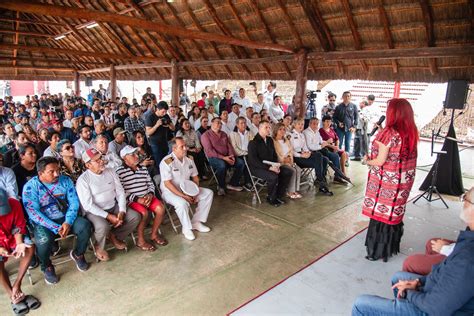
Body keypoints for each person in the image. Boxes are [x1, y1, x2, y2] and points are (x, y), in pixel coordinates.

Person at [352, 187, 474, 316]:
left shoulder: (467, 259)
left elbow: (436, 308)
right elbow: (444, 272)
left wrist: (410, 294)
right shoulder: (468, 239)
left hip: (434, 309)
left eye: (465, 199)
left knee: (360, 304)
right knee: (398, 278)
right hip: (438, 293)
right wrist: (419, 283)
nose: (463, 202)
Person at [362, 98, 419, 262]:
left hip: (387, 183)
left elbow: (380, 161)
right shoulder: (411, 131)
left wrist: (367, 161)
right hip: (403, 181)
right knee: (394, 213)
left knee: (381, 215)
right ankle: (391, 246)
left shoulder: (389, 133)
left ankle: (376, 250)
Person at [22, 157, 91, 284]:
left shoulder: (66, 180)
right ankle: (46, 266)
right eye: (51, 172)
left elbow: (74, 203)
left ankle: (78, 253)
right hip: (44, 222)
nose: (57, 174)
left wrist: (68, 222)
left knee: (85, 226)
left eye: (58, 170)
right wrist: (55, 227)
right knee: (43, 240)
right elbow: (33, 212)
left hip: (66, 217)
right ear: (40, 173)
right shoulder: (30, 187)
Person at [76, 148, 140, 262]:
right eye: (97, 160)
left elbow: (120, 192)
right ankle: (99, 246)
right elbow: (88, 205)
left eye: (101, 157)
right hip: (94, 211)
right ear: (88, 165)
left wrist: (121, 211)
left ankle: (114, 236)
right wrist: (109, 216)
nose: (101, 161)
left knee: (134, 217)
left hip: (112, 205)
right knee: (103, 226)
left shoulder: (110, 171)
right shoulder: (83, 180)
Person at [159, 137, 214, 241]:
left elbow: (195, 177)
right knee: (182, 203)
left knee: (208, 193)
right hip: (170, 192)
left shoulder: (189, 159)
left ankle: (196, 222)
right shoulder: (167, 161)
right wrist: (184, 196)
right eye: (182, 147)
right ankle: (186, 228)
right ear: (174, 149)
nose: (185, 148)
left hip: (187, 190)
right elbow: (167, 184)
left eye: (185, 146)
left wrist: (194, 193)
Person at [116, 146, 167, 251]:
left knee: (161, 208)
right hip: (132, 200)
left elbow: (150, 183)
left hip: (147, 197)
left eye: (136, 153)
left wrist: (150, 194)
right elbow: (121, 191)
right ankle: (141, 241)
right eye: (132, 155)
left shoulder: (142, 168)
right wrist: (138, 199)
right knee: (143, 213)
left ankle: (153, 234)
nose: (136, 156)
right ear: (125, 158)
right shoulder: (120, 172)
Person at [0, 189, 38, 314]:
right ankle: (13, 295)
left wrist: (19, 243)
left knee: (29, 246)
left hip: (11, 236)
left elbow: (18, 227)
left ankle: (17, 285)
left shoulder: (14, 203)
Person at [247, 121, 292, 207]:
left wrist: (276, 166)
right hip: (257, 168)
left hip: (271, 166)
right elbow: (253, 161)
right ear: (260, 128)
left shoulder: (269, 140)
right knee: (273, 176)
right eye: (266, 127)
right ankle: (271, 197)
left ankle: (278, 195)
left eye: (269, 127)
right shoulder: (253, 142)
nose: (268, 129)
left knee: (288, 172)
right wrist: (269, 168)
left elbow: (274, 156)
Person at [201, 117, 245, 196]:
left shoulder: (223, 134)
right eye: (218, 122)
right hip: (214, 158)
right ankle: (221, 186)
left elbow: (229, 146)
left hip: (227, 156)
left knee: (241, 163)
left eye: (221, 123)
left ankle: (232, 183)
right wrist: (224, 158)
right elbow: (210, 151)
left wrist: (231, 155)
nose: (220, 124)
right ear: (212, 123)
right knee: (222, 165)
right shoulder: (205, 135)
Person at [291, 119, 333, 196]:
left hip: (304, 155)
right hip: (297, 158)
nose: (301, 126)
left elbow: (305, 147)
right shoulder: (290, 135)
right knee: (319, 157)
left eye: (302, 124)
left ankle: (320, 181)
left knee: (323, 158)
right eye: (299, 124)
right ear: (294, 125)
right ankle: (321, 183)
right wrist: (301, 155)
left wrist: (308, 153)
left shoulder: (301, 135)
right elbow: (290, 151)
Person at [304, 117, 350, 184]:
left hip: (321, 149)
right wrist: (325, 144)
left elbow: (321, 141)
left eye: (317, 124)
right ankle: (321, 177)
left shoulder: (316, 131)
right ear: (309, 124)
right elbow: (310, 146)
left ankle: (337, 176)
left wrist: (326, 143)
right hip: (313, 151)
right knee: (325, 158)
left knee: (335, 156)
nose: (316, 126)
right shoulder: (306, 132)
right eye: (314, 124)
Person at [272, 123, 302, 199]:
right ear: (276, 130)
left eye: (284, 129)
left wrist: (289, 159)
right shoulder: (273, 141)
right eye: (280, 129)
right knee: (293, 170)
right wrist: (283, 160)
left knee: (298, 169)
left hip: (289, 160)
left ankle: (295, 190)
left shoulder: (286, 140)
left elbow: (290, 151)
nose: (282, 131)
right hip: (280, 162)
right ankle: (290, 191)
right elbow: (276, 153)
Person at [145, 101, 174, 171]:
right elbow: (148, 133)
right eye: (163, 112)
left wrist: (169, 125)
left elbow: (173, 128)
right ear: (157, 109)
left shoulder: (166, 116)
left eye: (165, 112)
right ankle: (160, 177)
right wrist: (157, 125)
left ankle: (168, 174)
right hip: (155, 143)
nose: (164, 114)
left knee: (168, 160)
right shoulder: (150, 117)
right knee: (159, 161)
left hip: (165, 142)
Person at [229, 117, 254, 190]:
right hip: (238, 155)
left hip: (249, 154)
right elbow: (234, 148)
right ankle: (247, 182)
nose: (244, 125)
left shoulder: (249, 133)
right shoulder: (233, 134)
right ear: (237, 125)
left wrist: (250, 153)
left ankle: (255, 179)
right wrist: (246, 153)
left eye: (245, 123)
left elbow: (253, 145)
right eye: (241, 123)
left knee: (253, 159)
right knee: (244, 162)